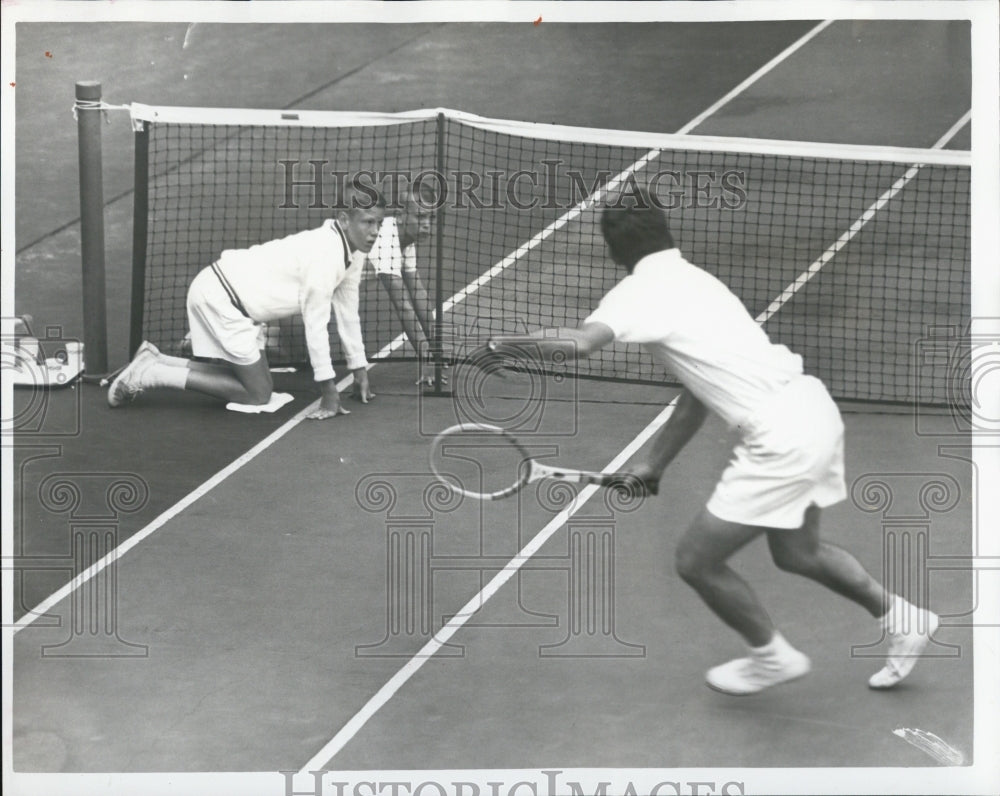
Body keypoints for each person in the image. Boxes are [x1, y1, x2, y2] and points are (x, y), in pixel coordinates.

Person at [474, 188, 938, 695]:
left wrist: (503, 345)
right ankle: (904, 616)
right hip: (813, 410)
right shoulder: (701, 282)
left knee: (696, 560)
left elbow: (582, 342)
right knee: (799, 553)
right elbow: (695, 396)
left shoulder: (634, 295)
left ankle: (771, 657)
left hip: (780, 437)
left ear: (614, 251)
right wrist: (654, 465)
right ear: (666, 232)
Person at [107, 184, 383, 420]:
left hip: (232, 298)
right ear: (344, 220)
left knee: (250, 378)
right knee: (258, 394)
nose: (374, 231)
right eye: (368, 222)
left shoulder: (352, 251)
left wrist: (359, 368)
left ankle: (157, 359)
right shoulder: (326, 256)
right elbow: (316, 323)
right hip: (222, 299)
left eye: (379, 223)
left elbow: (348, 310)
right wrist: (329, 391)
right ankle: (151, 374)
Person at [366, 181, 442, 385]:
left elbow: (418, 294)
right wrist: (426, 361)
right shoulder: (385, 240)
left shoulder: (406, 239)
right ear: (400, 216)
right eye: (420, 217)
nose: (427, 224)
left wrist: (436, 350)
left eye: (430, 218)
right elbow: (403, 307)